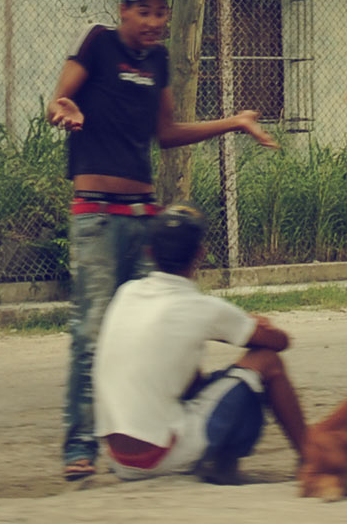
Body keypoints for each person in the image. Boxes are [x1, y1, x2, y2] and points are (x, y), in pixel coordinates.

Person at [47, 0, 279, 480]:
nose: (154, 21)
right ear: (123, 12)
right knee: (92, 332)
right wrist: (61, 106)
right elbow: (59, 100)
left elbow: (167, 132)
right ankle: (80, 448)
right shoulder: (98, 43)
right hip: (98, 215)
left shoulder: (160, 61)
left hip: (143, 213)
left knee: (150, 327)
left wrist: (233, 123)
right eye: (143, 11)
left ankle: (166, 422)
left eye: (160, 12)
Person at [93, 202, 306, 483]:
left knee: (193, 373)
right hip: (159, 457)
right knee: (266, 362)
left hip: (118, 459)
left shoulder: (126, 293)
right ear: (200, 255)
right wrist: (255, 323)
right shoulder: (201, 306)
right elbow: (279, 342)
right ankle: (311, 454)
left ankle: (217, 460)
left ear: (149, 254)